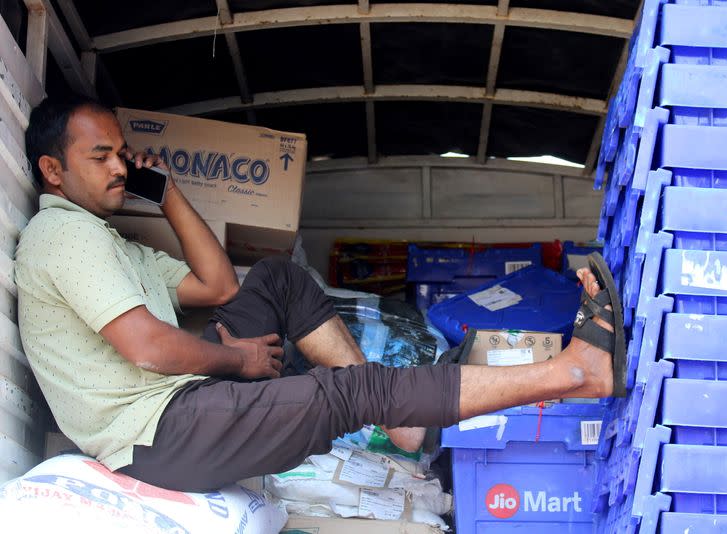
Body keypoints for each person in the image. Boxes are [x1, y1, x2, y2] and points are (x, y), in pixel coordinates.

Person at [15, 94, 622, 493]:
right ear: (52, 170)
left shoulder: (108, 241)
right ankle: (575, 372)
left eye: (122, 154)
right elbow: (147, 348)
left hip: (178, 404)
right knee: (349, 392)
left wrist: (165, 190)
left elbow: (221, 284)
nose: (120, 168)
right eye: (102, 157)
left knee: (276, 277)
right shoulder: (63, 235)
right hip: (155, 437)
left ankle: (405, 425)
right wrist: (239, 361)